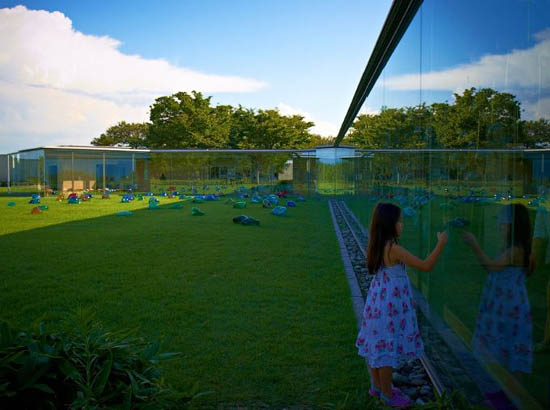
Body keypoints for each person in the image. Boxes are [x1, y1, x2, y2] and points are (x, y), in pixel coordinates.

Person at [355, 202, 448, 408]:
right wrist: (441, 243)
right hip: (390, 306)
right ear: (390, 224)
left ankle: (377, 386)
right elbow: (425, 266)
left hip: (377, 303)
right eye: (399, 221)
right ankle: (387, 394)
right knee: (386, 347)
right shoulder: (394, 248)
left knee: (376, 343)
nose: (402, 225)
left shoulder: (377, 244)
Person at [463, 204, 533, 374]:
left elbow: (491, 266)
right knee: (503, 339)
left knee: (503, 337)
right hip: (504, 302)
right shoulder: (514, 248)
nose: (500, 226)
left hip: (507, 304)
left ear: (515, 225)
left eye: (504, 223)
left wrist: (474, 244)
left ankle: (501, 377)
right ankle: (500, 373)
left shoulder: (516, 250)